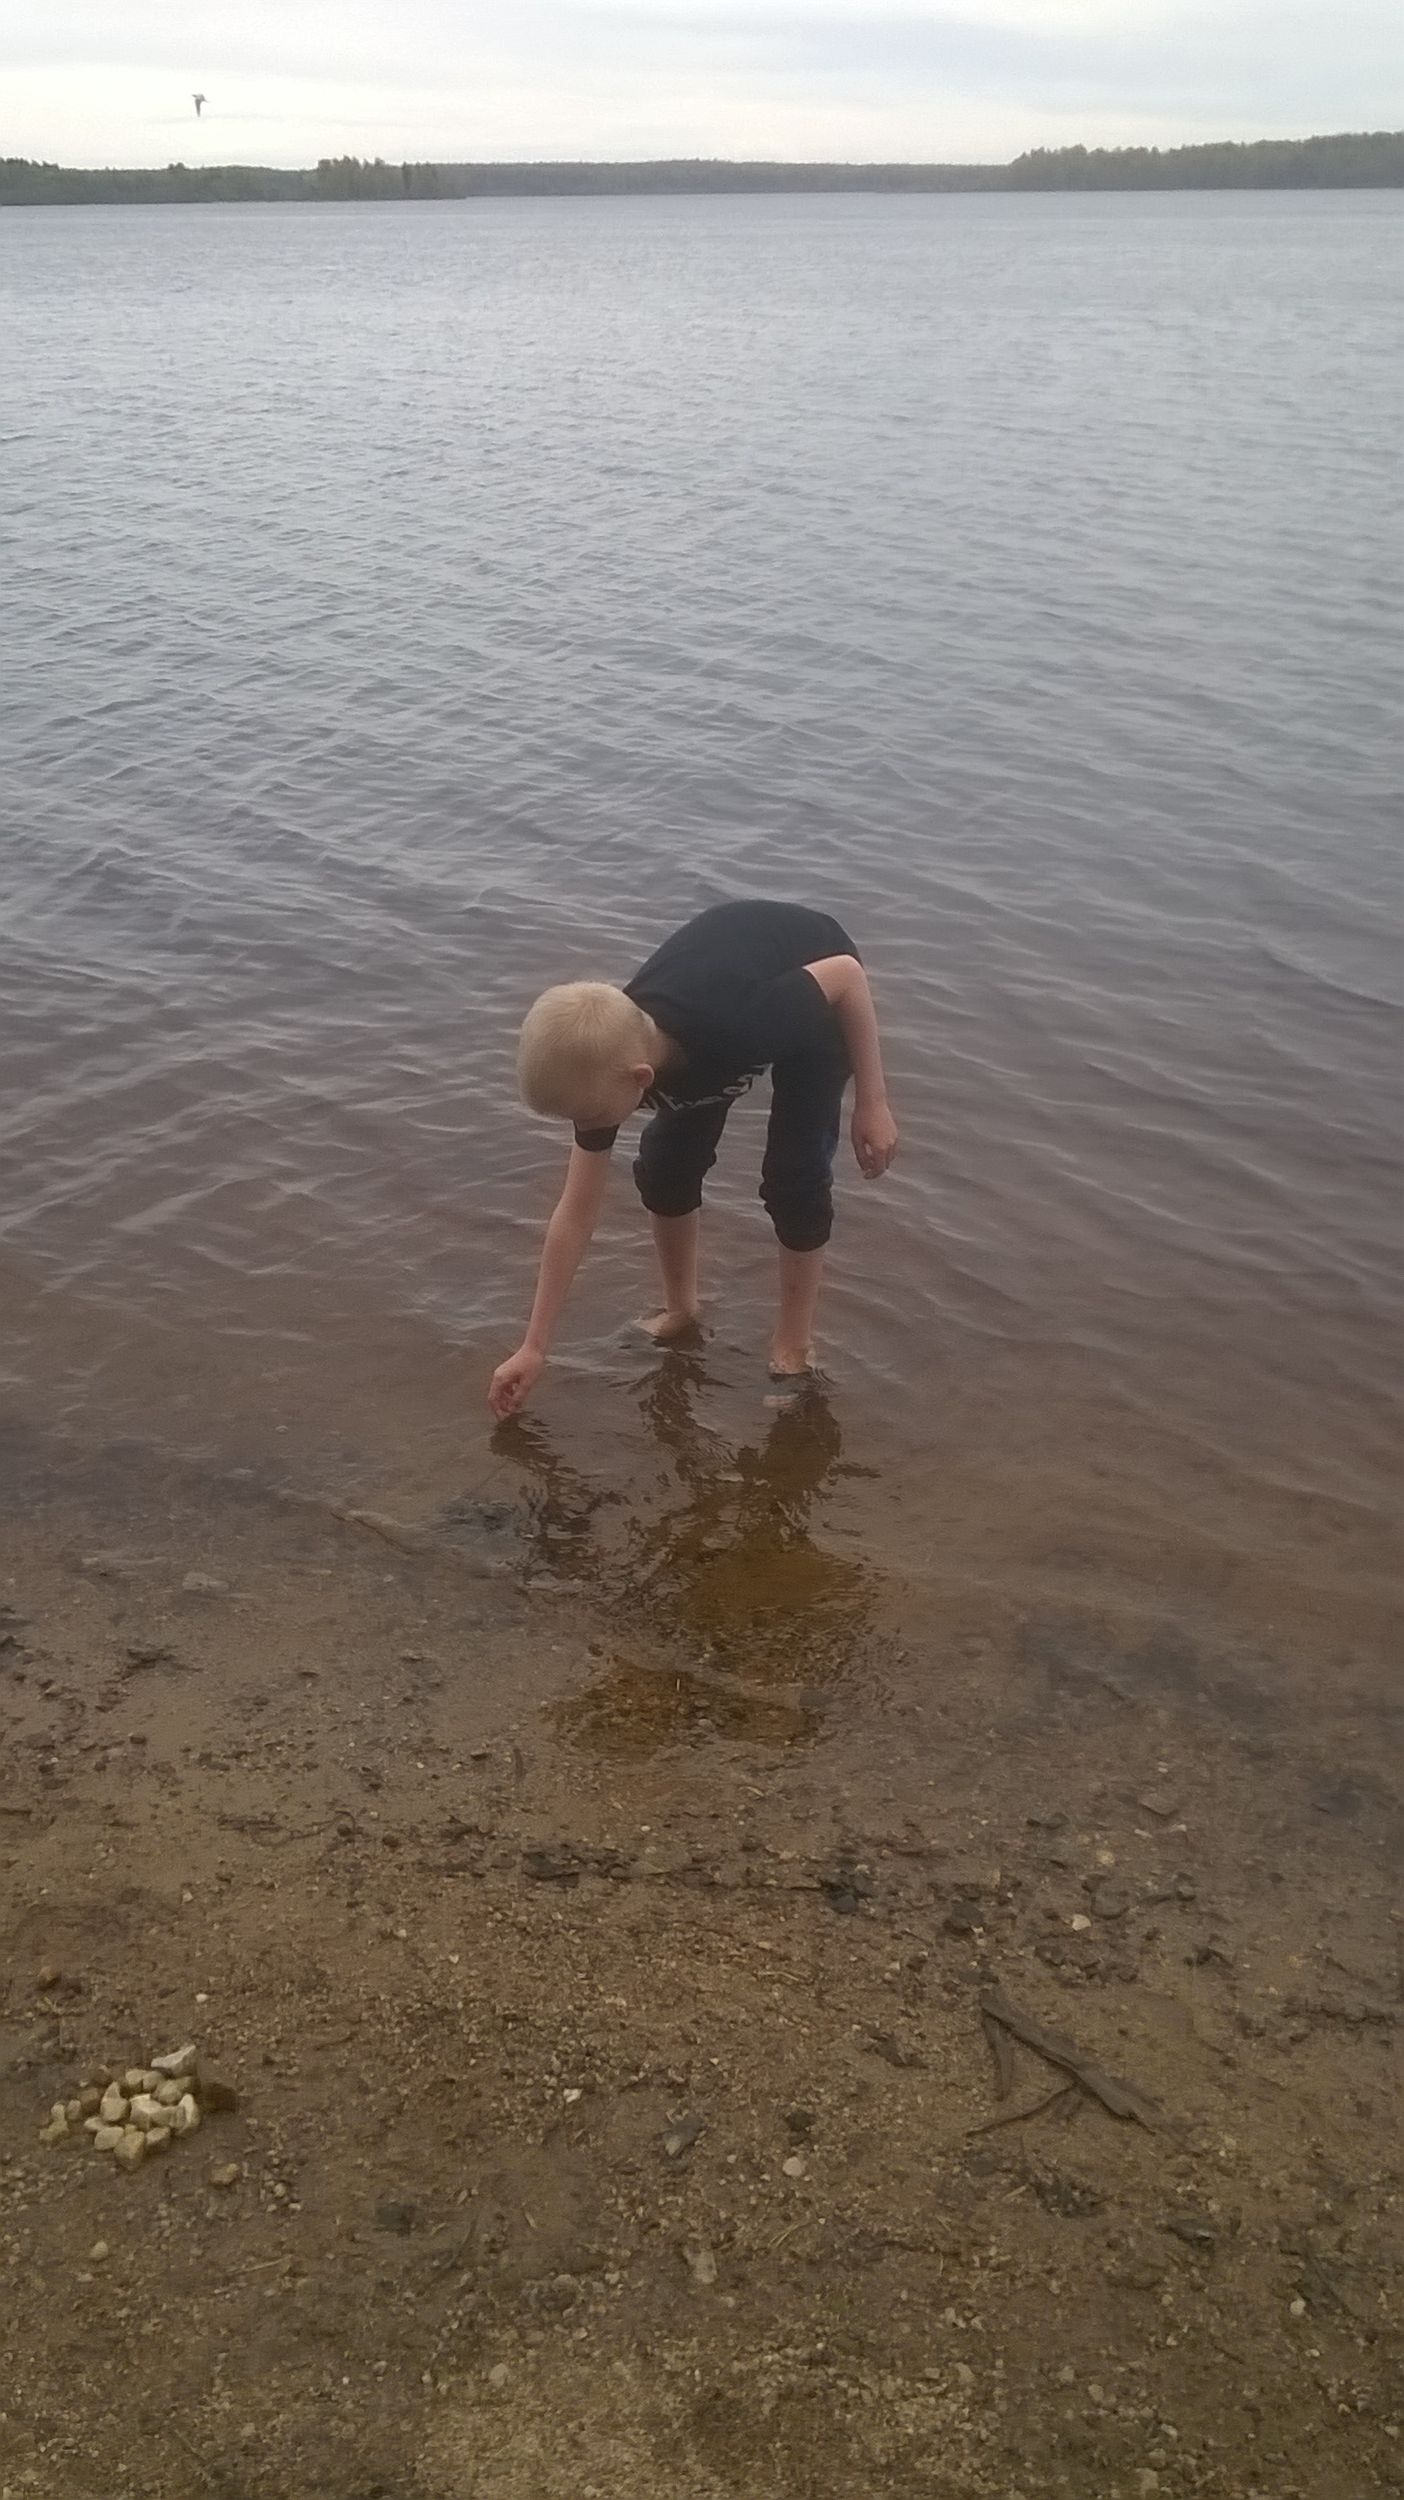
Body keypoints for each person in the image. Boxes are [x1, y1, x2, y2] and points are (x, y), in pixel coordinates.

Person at [487, 899, 898, 1418]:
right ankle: (681, 1309)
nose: (589, 1127)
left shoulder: (739, 1024)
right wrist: (534, 1346)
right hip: (716, 1024)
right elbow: (575, 1212)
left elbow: (848, 976)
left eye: (590, 1115)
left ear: (641, 1079)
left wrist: (872, 1101)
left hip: (820, 997)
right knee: (665, 1166)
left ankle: (793, 1346)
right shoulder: (607, 1062)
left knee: (794, 1180)